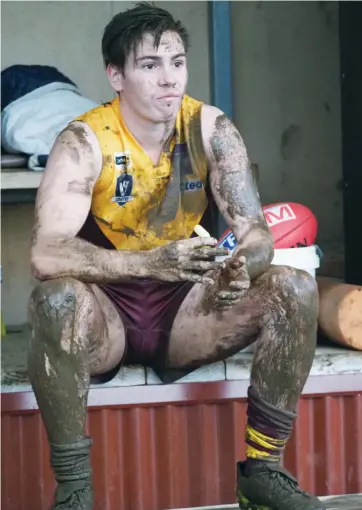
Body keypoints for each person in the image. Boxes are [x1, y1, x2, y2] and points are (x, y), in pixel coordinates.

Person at [28, 3, 325, 510]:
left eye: (178, 62)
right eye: (150, 66)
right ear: (115, 75)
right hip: (106, 315)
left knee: (293, 289)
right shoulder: (85, 140)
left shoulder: (210, 128)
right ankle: (75, 488)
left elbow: (256, 233)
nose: (170, 79)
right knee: (55, 302)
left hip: (190, 309)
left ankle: (263, 471)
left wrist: (242, 268)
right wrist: (147, 264)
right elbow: (45, 253)